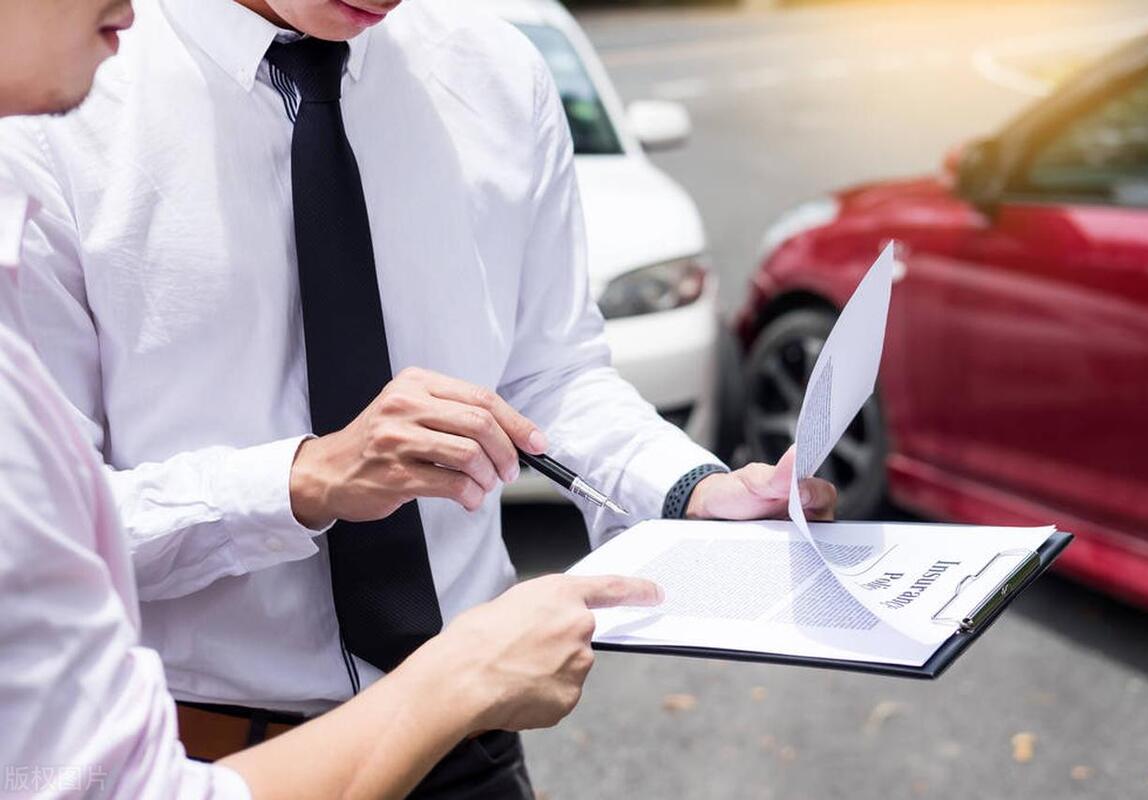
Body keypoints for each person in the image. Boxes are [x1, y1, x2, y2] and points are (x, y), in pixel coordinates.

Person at [0, 0, 838, 795]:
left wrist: (692, 492)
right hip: (204, 757)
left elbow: (551, 375)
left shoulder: (498, 70)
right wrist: (299, 482)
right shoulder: (47, 99)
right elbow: (48, 521)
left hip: (470, 744)